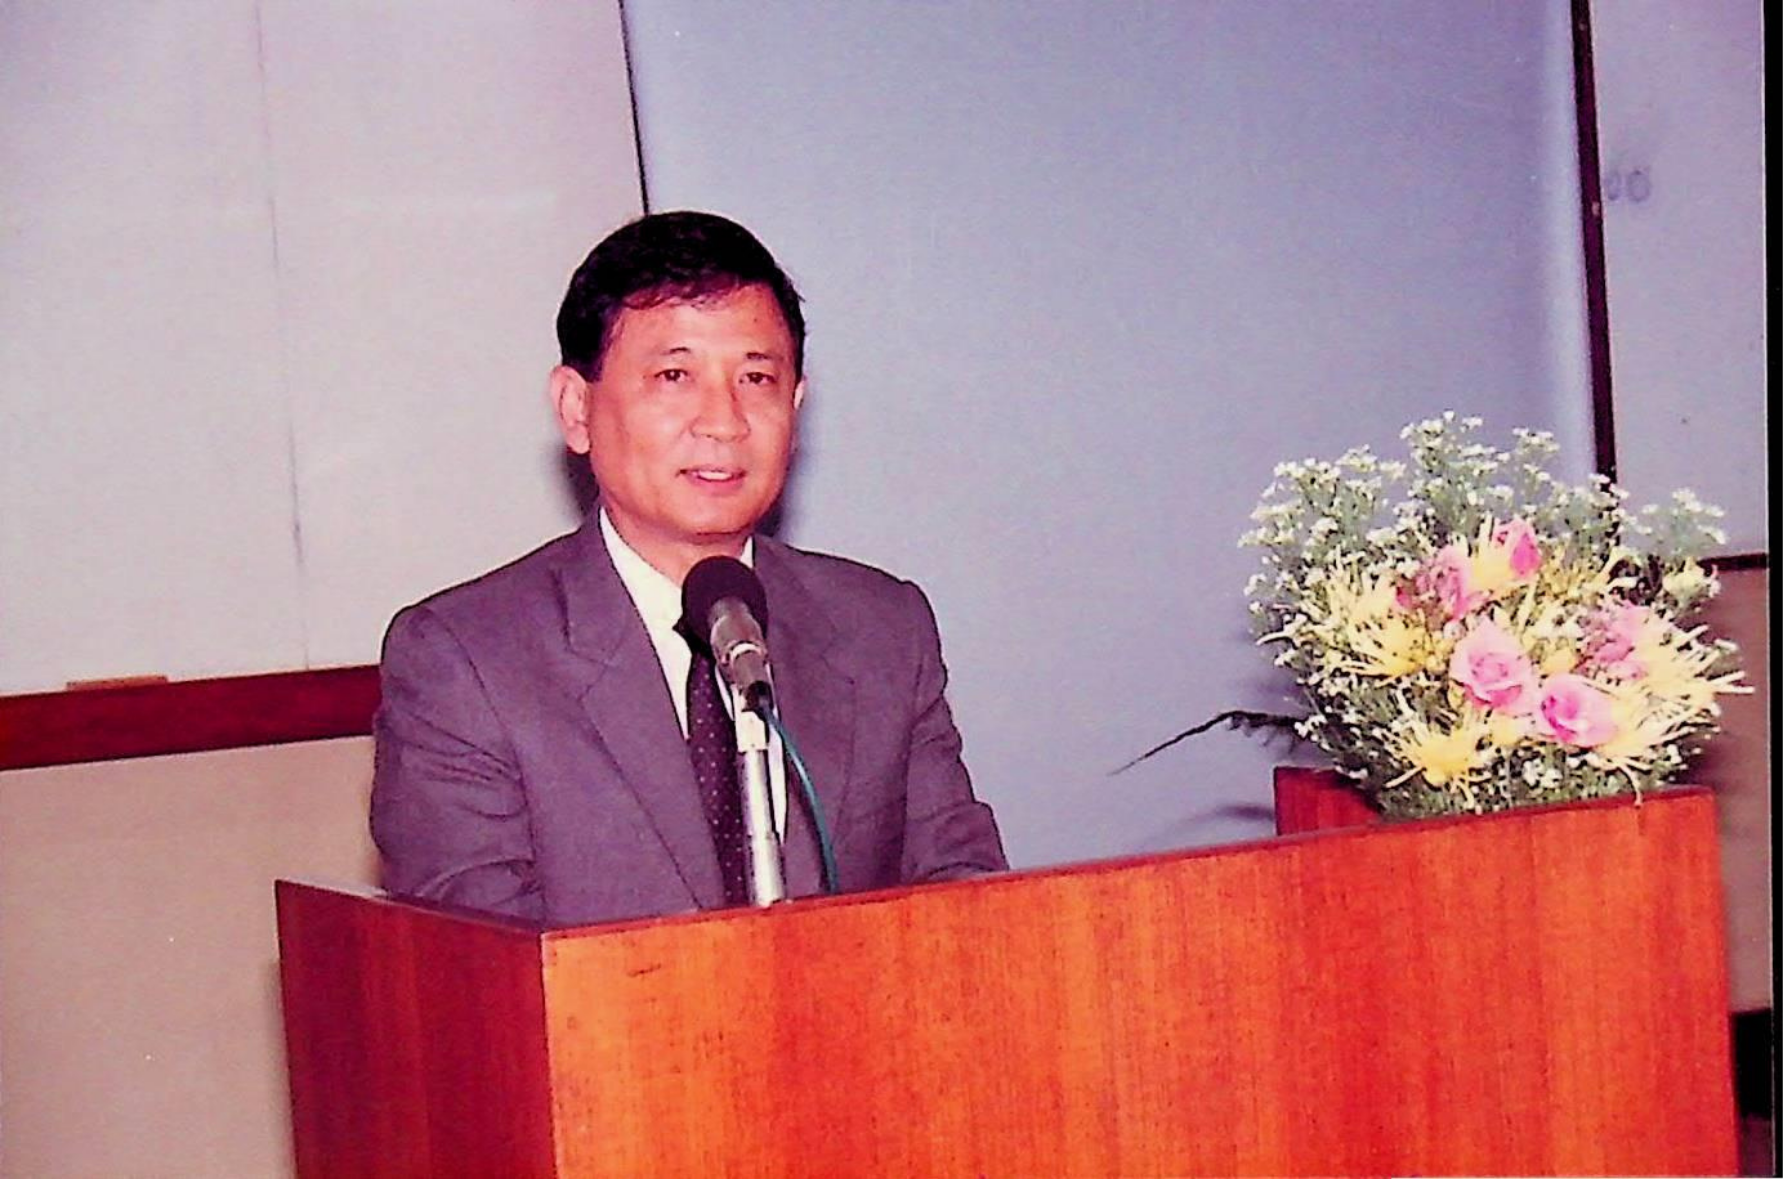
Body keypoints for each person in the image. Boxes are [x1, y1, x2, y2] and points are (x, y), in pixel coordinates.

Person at [370, 210, 1007, 926]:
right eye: (674, 375)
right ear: (576, 409)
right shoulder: (466, 660)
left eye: (756, 378)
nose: (723, 421)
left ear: (796, 405)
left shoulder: (882, 628)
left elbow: (965, 903)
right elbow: (485, 969)